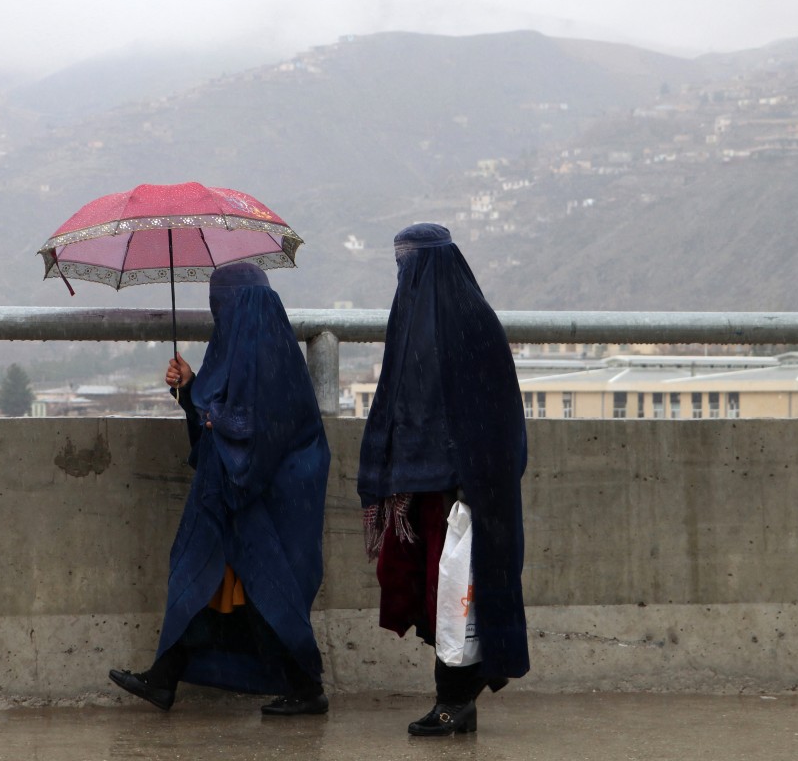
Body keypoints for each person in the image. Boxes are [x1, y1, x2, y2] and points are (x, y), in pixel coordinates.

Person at [109, 262, 332, 716]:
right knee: (200, 579)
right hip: (230, 493)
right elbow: (220, 414)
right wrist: (189, 391)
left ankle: (307, 689)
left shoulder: (272, 361)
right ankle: (165, 678)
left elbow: (262, 427)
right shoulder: (240, 350)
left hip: (268, 501)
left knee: (269, 587)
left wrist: (216, 416)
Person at [357, 223, 529, 736]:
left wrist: (470, 481)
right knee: (438, 598)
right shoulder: (413, 323)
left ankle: (453, 703)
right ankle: (456, 700)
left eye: (409, 263)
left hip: (464, 492)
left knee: (455, 596)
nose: (404, 275)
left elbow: (496, 416)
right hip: (418, 490)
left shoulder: (470, 324)